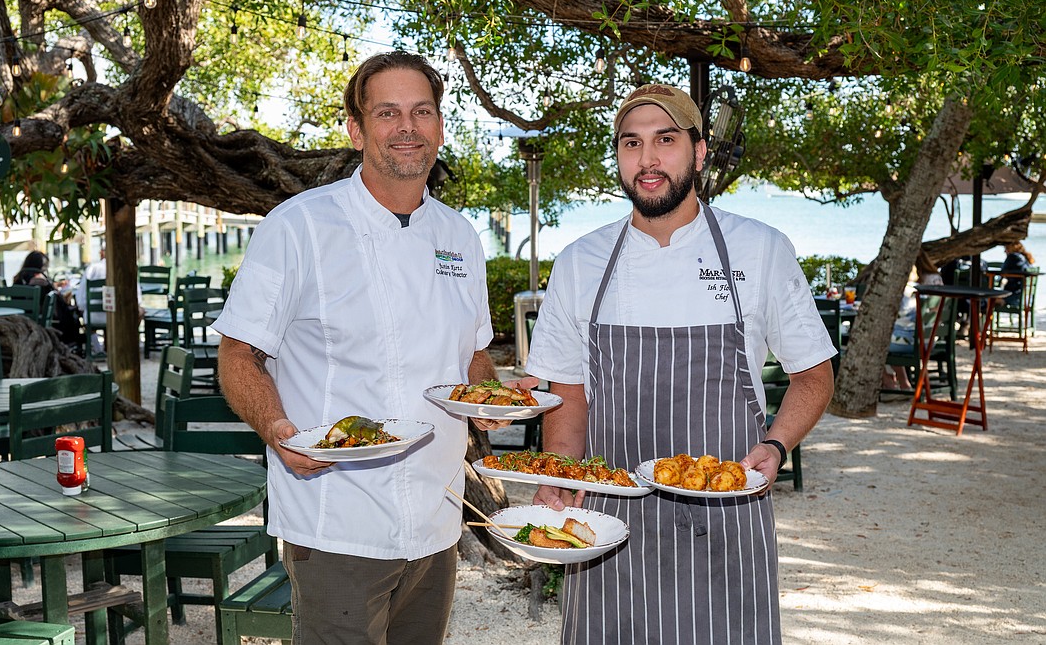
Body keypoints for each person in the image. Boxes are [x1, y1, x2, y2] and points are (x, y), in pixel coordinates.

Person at [213, 51, 519, 645]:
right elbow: (239, 353)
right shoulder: (298, 226)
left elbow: (472, 354)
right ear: (356, 130)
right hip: (336, 517)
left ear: (439, 127)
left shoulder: (459, 235)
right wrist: (276, 427)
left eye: (421, 112)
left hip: (437, 516)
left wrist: (491, 398)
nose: (407, 127)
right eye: (387, 113)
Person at [523, 83, 837, 645]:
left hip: (726, 518)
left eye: (665, 140)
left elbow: (814, 375)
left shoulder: (760, 249)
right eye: (631, 143)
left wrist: (776, 445)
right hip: (609, 520)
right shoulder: (579, 262)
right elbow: (568, 392)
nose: (647, 159)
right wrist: (561, 478)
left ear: (699, 151)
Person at [883, 251, 944, 390]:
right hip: (931, 337)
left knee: (877, 344)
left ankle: (890, 382)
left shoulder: (906, 290)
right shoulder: (928, 283)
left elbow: (899, 315)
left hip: (915, 340)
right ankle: (902, 383)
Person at [13, 250, 84, 350]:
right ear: (40, 266)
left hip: (19, 317)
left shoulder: (18, 278)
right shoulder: (39, 279)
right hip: (40, 319)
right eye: (45, 266)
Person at [999, 241, 1035, 307]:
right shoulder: (1025, 258)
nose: (1004, 251)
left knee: (989, 300)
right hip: (1026, 298)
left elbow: (1002, 272)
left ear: (1012, 248)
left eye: (1006, 248)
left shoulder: (1013, 257)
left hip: (1013, 296)